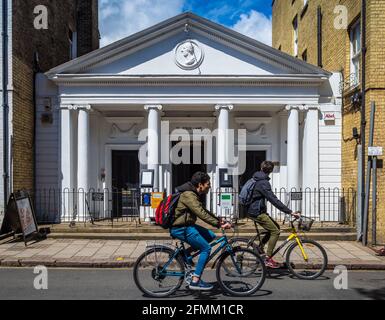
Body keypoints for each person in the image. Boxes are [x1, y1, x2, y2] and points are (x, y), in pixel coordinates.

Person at [170, 172, 232, 291]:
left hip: (187, 225)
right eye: (208, 184)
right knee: (206, 249)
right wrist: (219, 224)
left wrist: (218, 220)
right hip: (181, 228)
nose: (210, 186)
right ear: (200, 185)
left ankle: (185, 254)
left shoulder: (193, 194)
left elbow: (203, 210)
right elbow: (200, 213)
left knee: (210, 235)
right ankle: (195, 281)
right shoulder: (189, 195)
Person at [248, 161, 301, 269]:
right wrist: (289, 212)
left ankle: (259, 248)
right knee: (275, 231)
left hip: (255, 210)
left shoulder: (256, 178)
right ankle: (267, 258)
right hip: (256, 212)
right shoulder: (263, 182)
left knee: (274, 227)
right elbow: (273, 199)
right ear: (271, 171)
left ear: (261, 168)